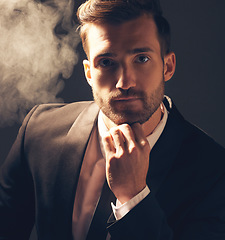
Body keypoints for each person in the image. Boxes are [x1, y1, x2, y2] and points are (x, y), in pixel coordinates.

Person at [0, 0, 225, 239]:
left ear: (167, 66)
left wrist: (134, 197)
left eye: (141, 59)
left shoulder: (214, 172)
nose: (124, 82)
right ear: (89, 73)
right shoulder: (38, 131)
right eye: (106, 62)